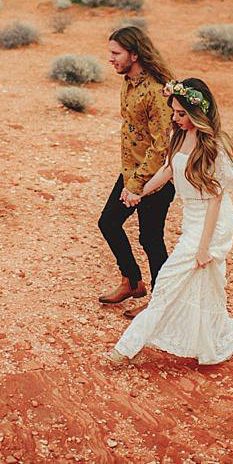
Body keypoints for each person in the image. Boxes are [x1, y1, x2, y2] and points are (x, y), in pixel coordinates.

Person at [105, 78, 233, 366]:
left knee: (168, 280)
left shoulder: (213, 148)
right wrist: (138, 192)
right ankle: (212, 337)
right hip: (193, 219)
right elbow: (168, 170)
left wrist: (204, 247)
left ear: (197, 112)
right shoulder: (178, 137)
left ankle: (125, 349)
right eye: (174, 113)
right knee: (204, 283)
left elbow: (216, 198)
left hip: (212, 223)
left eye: (182, 114)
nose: (176, 119)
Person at [97, 26, 176, 319]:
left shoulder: (156, 91)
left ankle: (162, 303)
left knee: (150, 238)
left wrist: (137, 186)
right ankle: (132, 281)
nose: (110, 59)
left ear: (134, 54)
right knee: (108, 223)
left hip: (155, 178)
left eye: (116, 53)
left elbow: (162, 146)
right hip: (131, 171)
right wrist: (129, 179)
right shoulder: (128, 82)